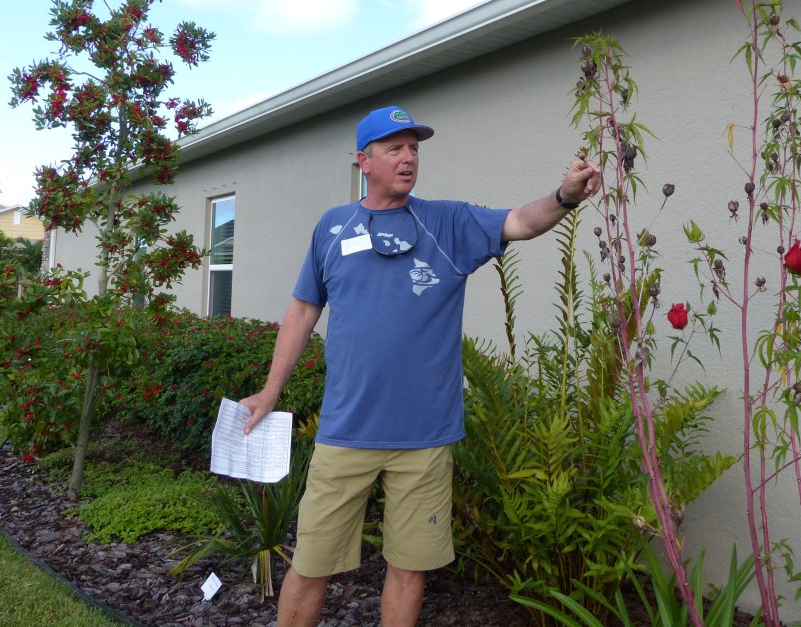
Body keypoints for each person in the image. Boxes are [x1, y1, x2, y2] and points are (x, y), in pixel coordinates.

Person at [239, 105, 601, 627]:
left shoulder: (447, 222)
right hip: (346, 432)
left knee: (409, 569)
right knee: (312, 565)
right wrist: (271, 392)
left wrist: (565, 196)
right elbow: (302, 310)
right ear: (364, 160)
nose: (408, 158)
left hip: (424, 437)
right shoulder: (333, 228)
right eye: (395, 148)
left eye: (414, 148)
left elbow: (521, 221)